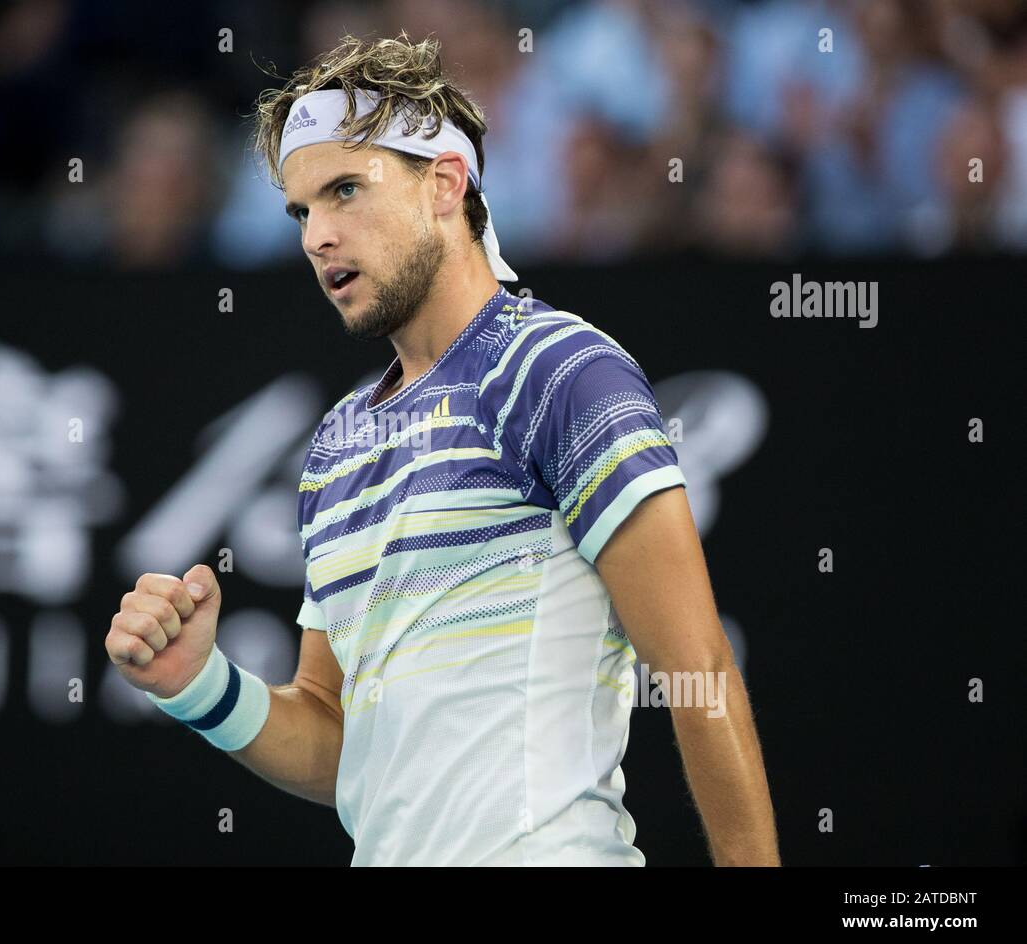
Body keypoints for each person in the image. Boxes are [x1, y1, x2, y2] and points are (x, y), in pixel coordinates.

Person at [104, 33, 780, 867]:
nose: (318, 236)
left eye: (346, 191)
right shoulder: (336, 447)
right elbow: (342, 743)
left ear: (444, 186)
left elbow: (697, 669)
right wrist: (202, 686)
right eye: (302, 210)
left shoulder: (562, 372)